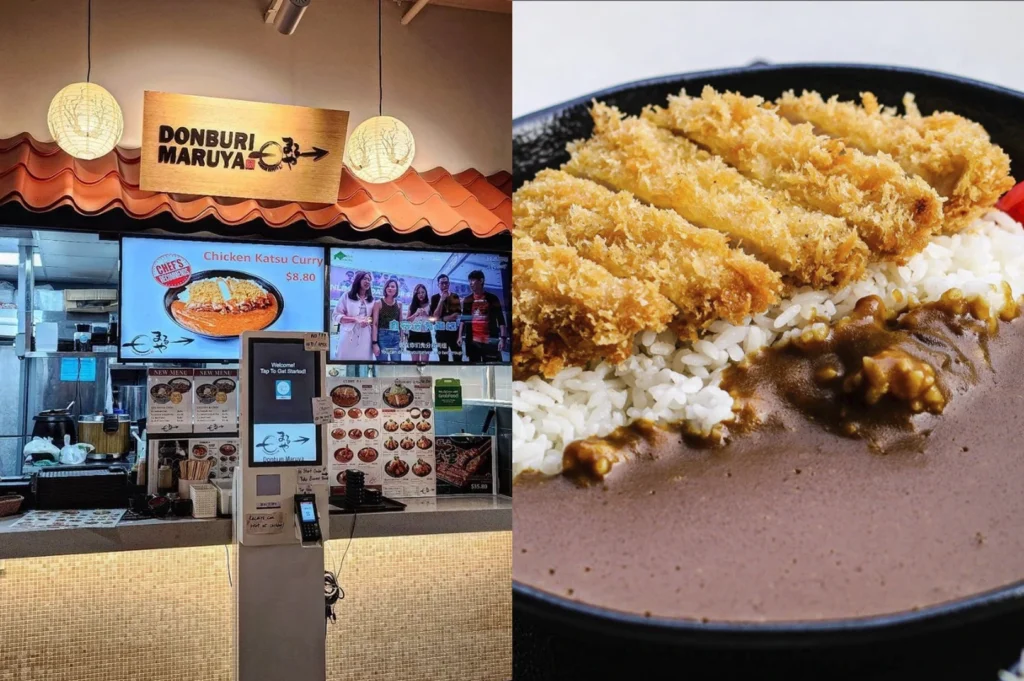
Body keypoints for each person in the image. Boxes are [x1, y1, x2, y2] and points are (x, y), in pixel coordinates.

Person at [457, 270, 507, 363]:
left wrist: (503, 339)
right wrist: (460, 336)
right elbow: (463, 320)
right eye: (469, 281)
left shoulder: (492, 298)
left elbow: (501, 320)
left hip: (489, 340)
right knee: (474, 368)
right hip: (473, 342)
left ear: (481, 281)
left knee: (492, 365)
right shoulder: (468, 299)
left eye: (472, 280)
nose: (470, 284)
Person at [333, 271, 373, 361]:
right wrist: (355, 319)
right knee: (344, 362)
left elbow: (373, 319)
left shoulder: (372, 300)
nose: (367, 281)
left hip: (365, 336)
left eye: (369, 280)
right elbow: (336, 315)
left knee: (364, 363)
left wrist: (367, 321)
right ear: (358, 280)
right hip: (348, 335)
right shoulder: (347, 296)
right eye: (365, 279)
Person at [430, 274, 462, 363]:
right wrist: (441, 300)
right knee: (443, 359)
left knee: (458, 358)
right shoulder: (434, 298)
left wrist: (442, 318)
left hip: (454, 333)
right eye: (442, 283)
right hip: (440, 334)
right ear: (438, 285)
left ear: (449, 283)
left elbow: (456, 315)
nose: (444, 285)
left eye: (446, 283)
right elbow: (435, 317)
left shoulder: (455, 296)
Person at [372, 279, 403, 362]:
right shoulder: (378, 303)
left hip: (396, 338)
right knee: (382, 366)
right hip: (382, 337)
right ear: (385, 288)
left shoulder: (399, 304)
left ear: (396, 289)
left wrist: (402, 340)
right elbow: (375, 324)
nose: (390, 288)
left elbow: (401, 323)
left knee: (397, 365)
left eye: (392, 286)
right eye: (388, 286)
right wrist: (374, 343)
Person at [406, 283, 433, 363]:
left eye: (423, 292)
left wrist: (426, 315)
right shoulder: (412, 305)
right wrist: (415, 314)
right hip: (414, 334)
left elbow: (433, 321)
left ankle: (423, 375)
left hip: (426, 335)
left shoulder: (430, 305)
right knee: (415, 361)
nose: (421, 294)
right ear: (415, 294)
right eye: (418, 293)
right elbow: (408, 320)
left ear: (426, 293)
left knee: (424, 362)